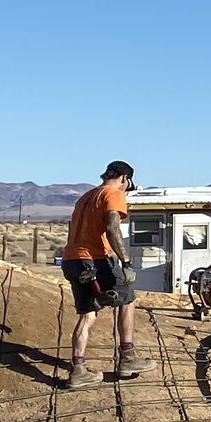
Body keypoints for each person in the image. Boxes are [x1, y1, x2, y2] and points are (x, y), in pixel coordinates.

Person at [61, 160, 143, 388]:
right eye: (128, 184)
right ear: (125, 179)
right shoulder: (113, 193)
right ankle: (127, 358)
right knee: (128, 299)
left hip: (72, 261)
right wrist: (126, 262)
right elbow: (112, 227)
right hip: (94, 260)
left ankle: (78, 371)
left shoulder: (84, 197)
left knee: (88, 313)